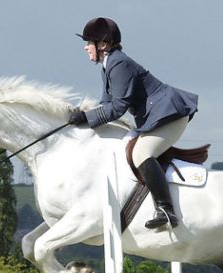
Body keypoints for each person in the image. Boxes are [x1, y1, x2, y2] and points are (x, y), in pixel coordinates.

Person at [69, 17, 198, 229]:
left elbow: (118, 108)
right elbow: (106, 103)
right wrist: (85, 117)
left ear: (102, 44)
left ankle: (166, 210)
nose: (85, 48)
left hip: (170, 115)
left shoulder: (119, 63)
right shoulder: (108, 65)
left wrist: (87, 117)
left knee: (141, 154)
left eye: (88, 43)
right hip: (155, 118)